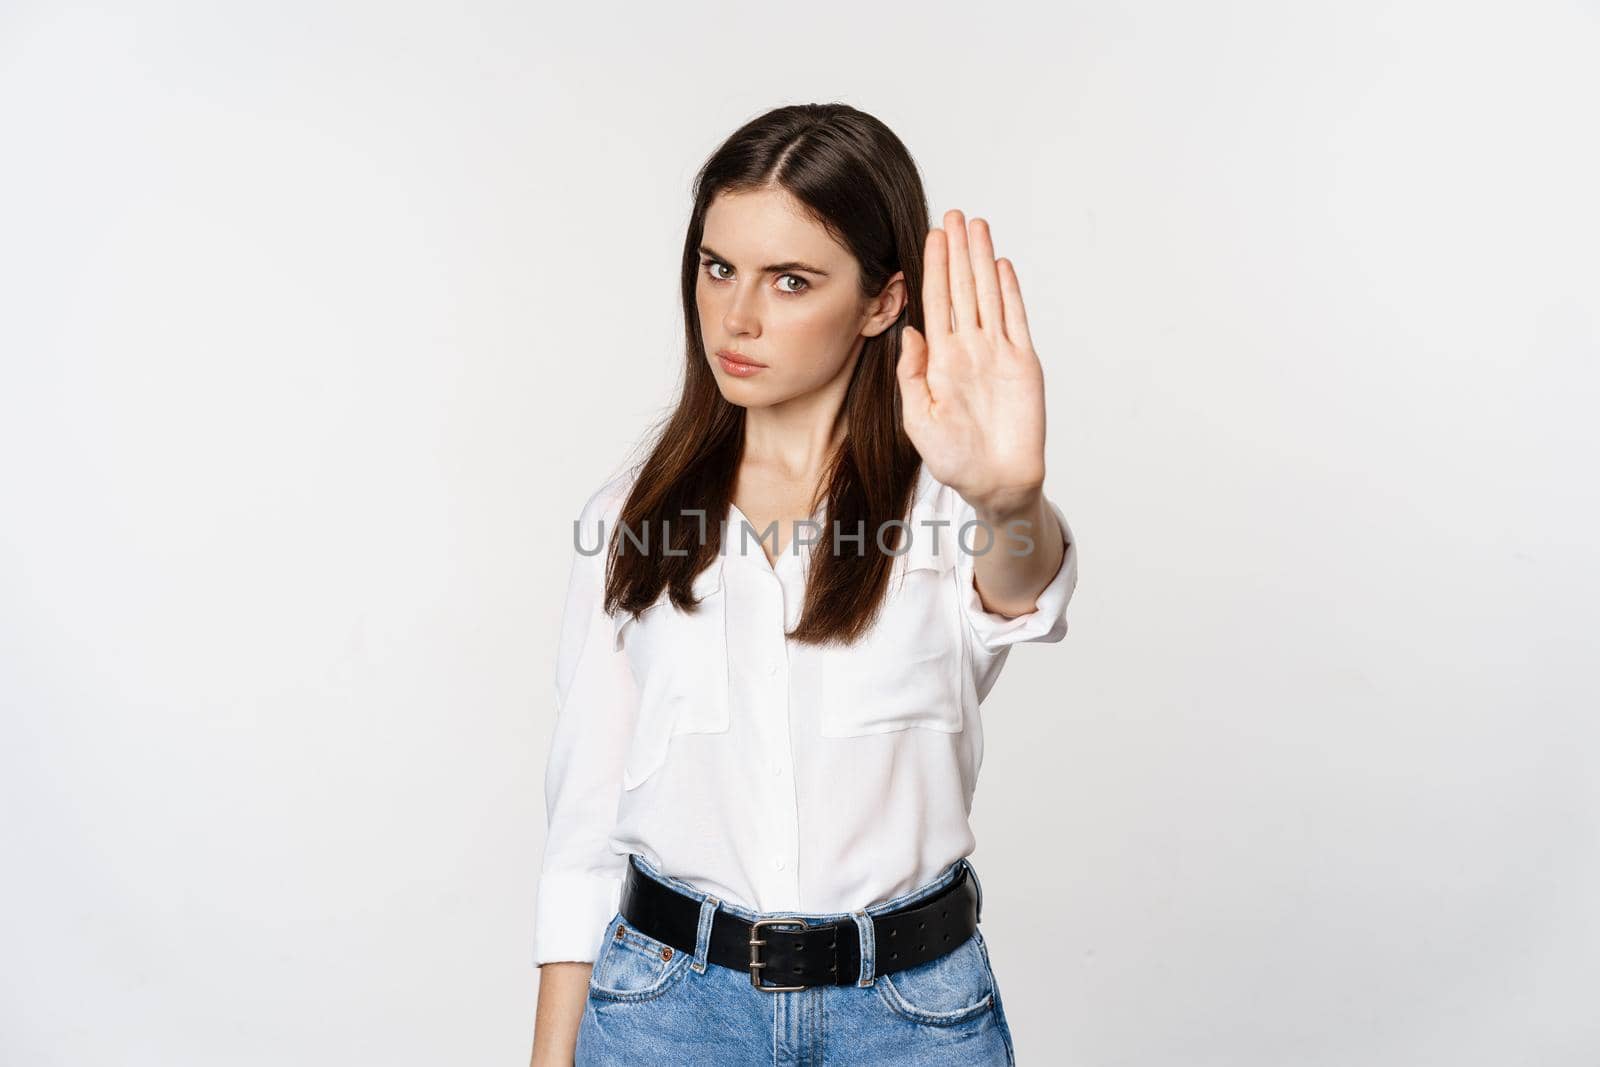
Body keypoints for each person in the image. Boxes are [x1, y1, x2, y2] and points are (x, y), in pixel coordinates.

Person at [529, 102, 1078, 1067]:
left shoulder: (951, 504)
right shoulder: (629, 516)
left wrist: (1011, 495)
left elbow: (1024, 590)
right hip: (666, 1012)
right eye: (717, 267)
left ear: (881, 301)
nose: (737, 316)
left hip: (910, 1018)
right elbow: (582, 830)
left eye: (791, 280)